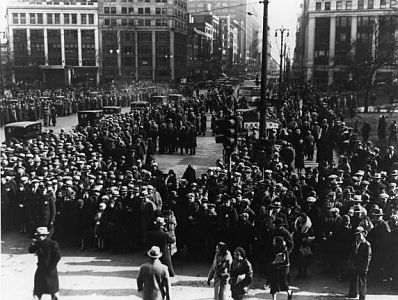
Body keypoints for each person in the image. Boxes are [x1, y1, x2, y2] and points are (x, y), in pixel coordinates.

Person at [28, 227, 61, 300]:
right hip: (41, 270)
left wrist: (51, 267)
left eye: (40, 235)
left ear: (45, 235)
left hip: (50, 271)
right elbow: (31, 250)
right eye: (38, 236)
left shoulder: (53, 244)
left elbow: (58, 256)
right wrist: (32, 244)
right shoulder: (37, 243)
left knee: (54, 292)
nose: (39, 237)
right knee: (37, 291)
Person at [347, 226, 372, 300]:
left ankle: (362, 297)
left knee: (362, 283)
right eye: (356, 235)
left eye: (359, 234)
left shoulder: (367, 244)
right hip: (355, 264)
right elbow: (352, 253)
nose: (358, 236)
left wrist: (365, 267)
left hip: (362, 266)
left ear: (363, 234)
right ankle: (352, 293)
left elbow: (368, 257)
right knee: (353, 280)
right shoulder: (355, 242)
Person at [269, 236, 293, 300]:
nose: (273, 242)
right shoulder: (273, 249)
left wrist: (277, 264)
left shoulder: (285, 250)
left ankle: (289, 292)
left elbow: (286, 262)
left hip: (283, 271)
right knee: (274, 286)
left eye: (274, 241)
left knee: (284, 284)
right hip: (275, 270)